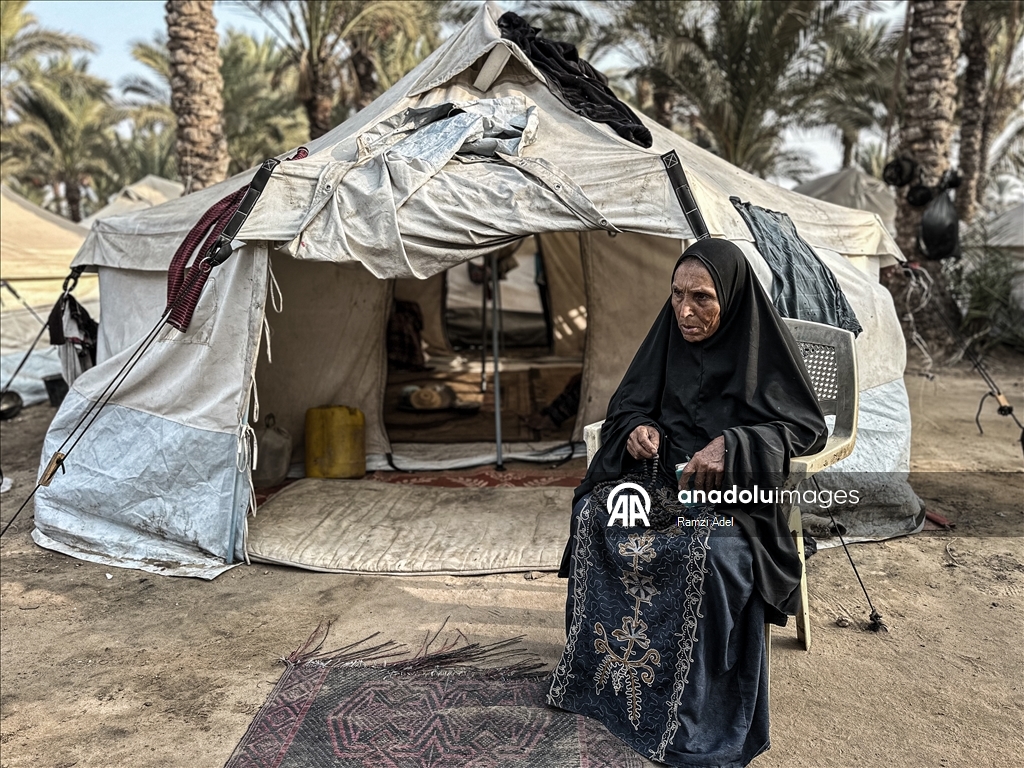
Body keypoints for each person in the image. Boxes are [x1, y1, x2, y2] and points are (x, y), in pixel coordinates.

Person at [547, 239, 827, 767]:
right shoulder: (667, 338)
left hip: (739, 497)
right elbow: (628, 404)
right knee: (594, 516)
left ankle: (691, 703)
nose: (685, 311)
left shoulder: (760, 346)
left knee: (714, 553)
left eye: (701, 297)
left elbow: (805, 430)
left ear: (731, 297)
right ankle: (607, 676)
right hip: (662, 483)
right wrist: (637, 429)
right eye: (676, 296)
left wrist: (734, 445)